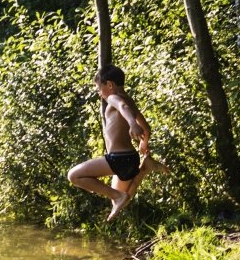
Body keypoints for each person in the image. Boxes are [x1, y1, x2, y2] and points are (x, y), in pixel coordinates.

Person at [67, 64, 169, 221]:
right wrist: (144, 143)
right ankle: (144, 168)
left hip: (119, 159)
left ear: (110, 85)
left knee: (74, 176)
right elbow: (146, 129)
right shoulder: (130, 101)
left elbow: (122, 107)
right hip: (131, 159)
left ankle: (119, 195)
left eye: (99, 89)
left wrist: (132, 123)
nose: (100, 94)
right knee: (122, 197)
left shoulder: (114, 98)